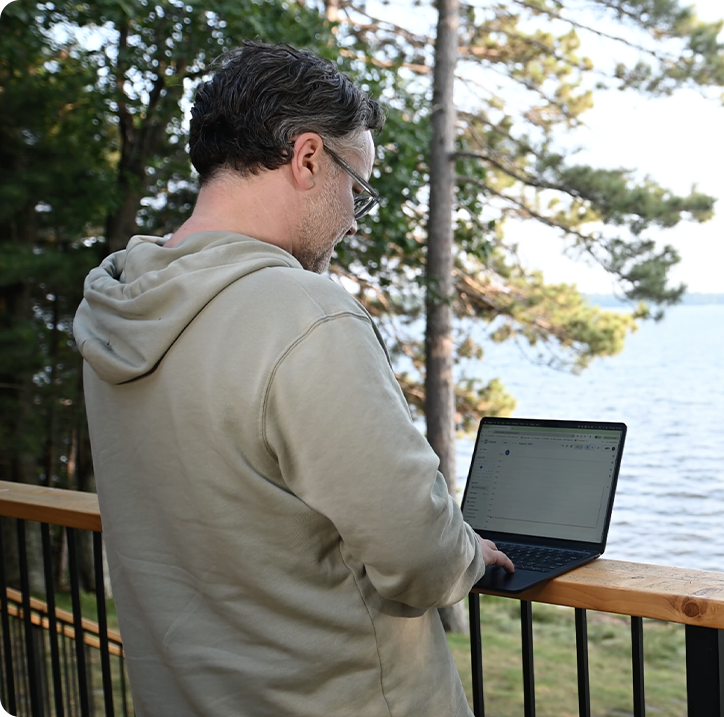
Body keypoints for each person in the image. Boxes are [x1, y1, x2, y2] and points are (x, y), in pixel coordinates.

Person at [73, 42, 512, 716]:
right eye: (356, 190)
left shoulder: (116, 307)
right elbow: (416, 553)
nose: (351, 221)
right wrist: (467, 553)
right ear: (308, 158)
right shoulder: (306, 314)